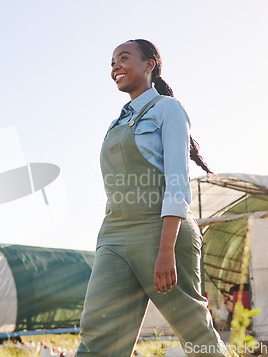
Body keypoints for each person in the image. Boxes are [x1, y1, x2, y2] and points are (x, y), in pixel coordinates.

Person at [75, 39, 231, 357]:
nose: (115, 66)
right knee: (98, 331)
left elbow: (177, 182)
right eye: (112, 62)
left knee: (193, 330)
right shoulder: (116, 122)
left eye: (124, 58)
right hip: (114, 234)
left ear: (149, 65)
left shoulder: (167, 109)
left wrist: (165, 249)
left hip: (160, 230)